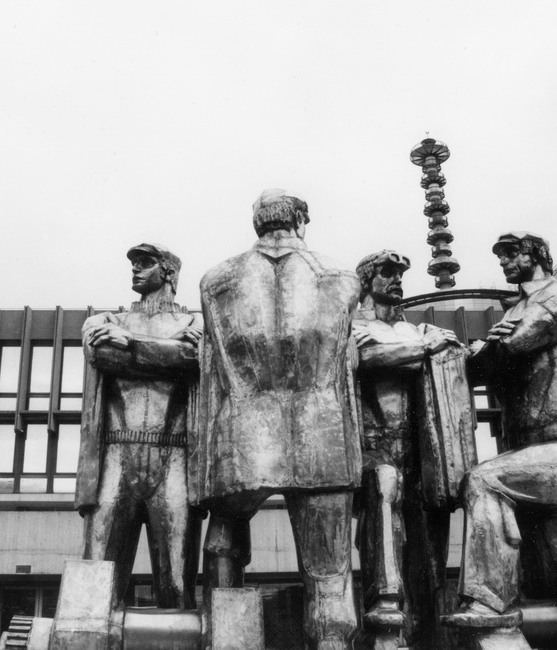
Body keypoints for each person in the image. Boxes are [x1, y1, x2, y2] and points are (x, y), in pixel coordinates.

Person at [191, 189, 362, 650]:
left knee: (225, 541)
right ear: (301, 221)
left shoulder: (216, 280)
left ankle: (226, 638)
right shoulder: (342, 277)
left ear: (257, 223)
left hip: (243, 432)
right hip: (322, 433)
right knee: (329, 574)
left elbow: (213, 366)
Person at [443, 231, 557, 629]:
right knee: (549, 586)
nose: (504, 261)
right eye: (501, 255)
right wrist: (485, 349)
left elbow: (517, 342)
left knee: (483, 480)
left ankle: (487, 602)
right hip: (534, 455)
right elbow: (477, 367)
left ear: (536, 255)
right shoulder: (515, 309)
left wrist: (490, 346)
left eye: (512, 253)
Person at [76, 243, 203, 610]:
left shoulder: (196, 323)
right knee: (96, 585)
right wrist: (169, 350)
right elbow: (103, 355)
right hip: (116, 456)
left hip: (174, 458)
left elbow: (194, 357)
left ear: (169, 272)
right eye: (134, 263)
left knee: (177, 589)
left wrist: (130, 344)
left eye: (146, 263)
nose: (135, 269)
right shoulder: (104, 321)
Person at [352, 250, 466, 648]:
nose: (397, 279)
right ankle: (384, 614)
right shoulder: (353, 326)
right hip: (373, 447)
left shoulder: (416, 330)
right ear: (366, 281)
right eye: (387, 272)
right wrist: (425, 349)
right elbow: (367, 358)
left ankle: (429, 633)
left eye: (400, 273)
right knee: (384, 490)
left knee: (428, 551)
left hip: (419, 451)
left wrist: (438, 345)